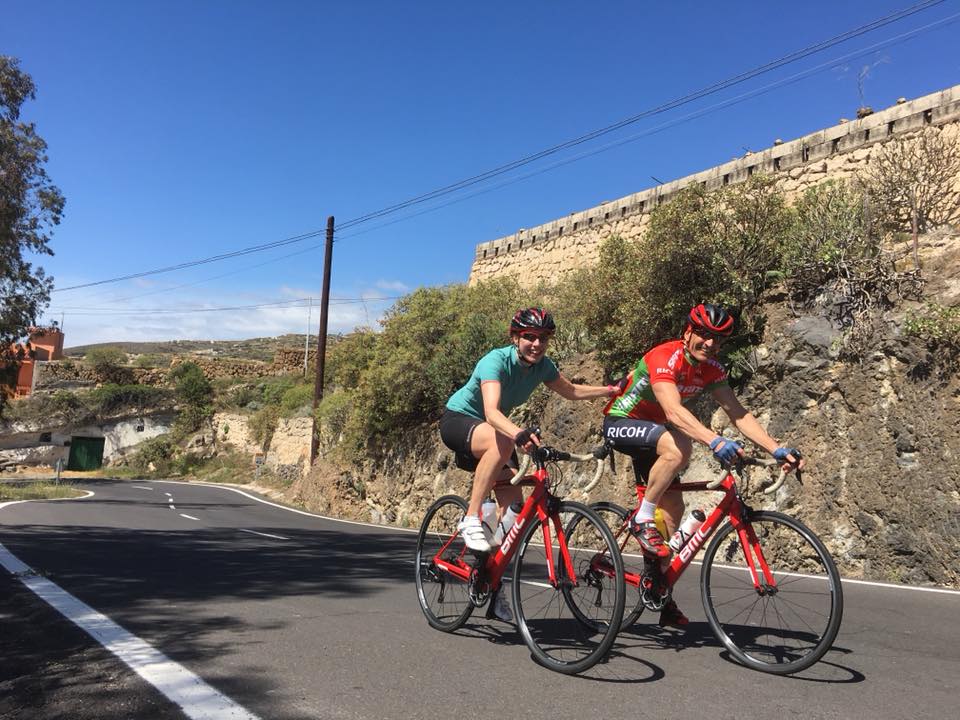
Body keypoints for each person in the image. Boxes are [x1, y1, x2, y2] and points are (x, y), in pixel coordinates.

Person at [603, 302, 803, 628]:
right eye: (704, 335)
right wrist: (714, 440)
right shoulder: (665, 356)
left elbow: (738, 413)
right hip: (622, 422)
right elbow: (672, 411)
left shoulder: (711, 369)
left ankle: (659, 589)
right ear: (688, 332)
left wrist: (776, 448)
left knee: (673, 512)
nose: (710, 344)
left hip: (655, 434)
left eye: (718, 339)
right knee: (679, 446)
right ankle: (641, 517)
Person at [440, 307, 621, 621]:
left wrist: (610, 390)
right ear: (515, 337)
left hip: (497, 435)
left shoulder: (543, 367)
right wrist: (519, 434)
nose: (536, 344)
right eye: (529, 337)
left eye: (543, 338)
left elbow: (571, 390)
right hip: (460, 421)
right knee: (502, 440)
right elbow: (492, 413)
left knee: (513, 513)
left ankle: (489, 580)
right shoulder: (495, 361)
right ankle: (470, 518)